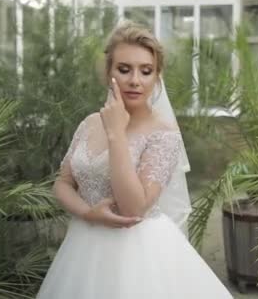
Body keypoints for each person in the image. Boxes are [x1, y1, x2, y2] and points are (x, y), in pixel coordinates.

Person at [37, 21, 232, 298]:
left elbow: (133, 208)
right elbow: (63, 183)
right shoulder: (91, 123)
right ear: (109, 72)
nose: (135, 80)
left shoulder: (164, 134)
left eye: (146, 71)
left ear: (157, 76)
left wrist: (116, 133)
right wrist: (88, 213)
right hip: (82, 245)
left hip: (138, 256)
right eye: (124, 69)